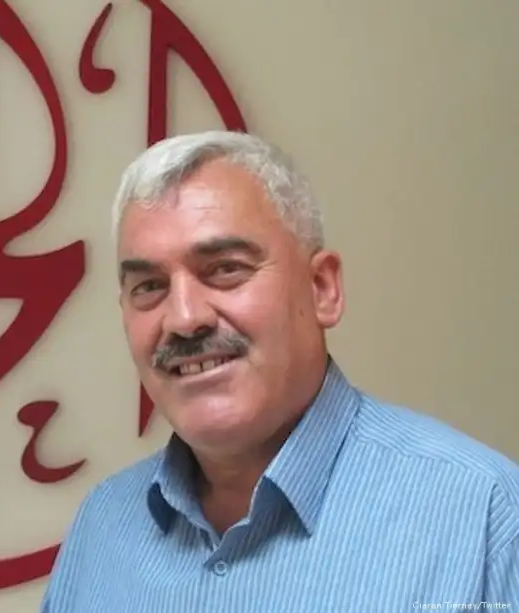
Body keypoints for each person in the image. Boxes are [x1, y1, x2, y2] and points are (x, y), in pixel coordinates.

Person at [39, 130, 519, 612]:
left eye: (225, 269)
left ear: (322, 288)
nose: (184, 318)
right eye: (149, 286)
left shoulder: (483, 514)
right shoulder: (103, 527)